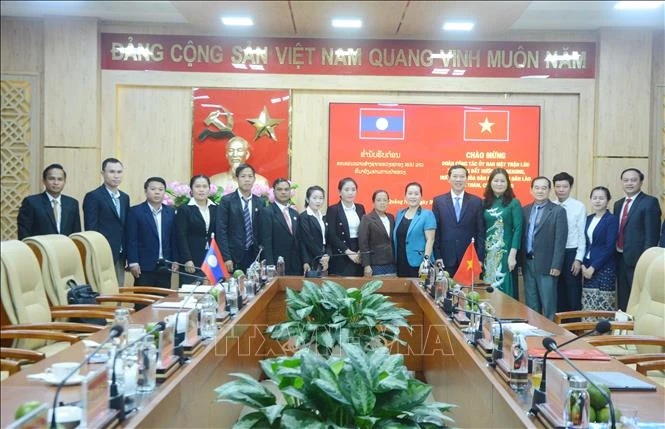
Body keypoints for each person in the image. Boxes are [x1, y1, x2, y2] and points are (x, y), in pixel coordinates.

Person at [613, 168, 662, 311]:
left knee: (639, 299)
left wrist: (645, 260)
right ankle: (623, 329)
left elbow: (652, 235)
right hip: (620, 257)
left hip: (638, 260)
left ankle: (637, 330)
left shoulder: (649, 202)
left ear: (641, 182)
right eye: (626, 180)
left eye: (633, 180)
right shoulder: (618, 204)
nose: (629, 183)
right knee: (623, 298)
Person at [522, 177, 568, 320]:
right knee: (531, 302)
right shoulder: (525, 210)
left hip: (547, 265)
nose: (540, 191)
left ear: (549, 190)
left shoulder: (558, 211)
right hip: (528, 262)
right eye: (537, 187)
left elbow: (560, 240)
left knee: (548, 304)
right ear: (531, 190)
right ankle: (533, 332)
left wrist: (556, 264)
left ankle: (551, 335)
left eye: (544, 188)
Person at [83, 158, 130, 286]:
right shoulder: (93, 196)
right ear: (103, 173)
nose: (116, 176)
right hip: (102, 252)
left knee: (119, 289)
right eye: (112, 172)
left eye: (119, 172)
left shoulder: (125, 197)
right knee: (103, 291)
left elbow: (124, 226)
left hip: (120, 253)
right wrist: (96, 250)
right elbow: (91, 229)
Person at [126, 177, 179, 289]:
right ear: (146, 191)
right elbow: (131, 239)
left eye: (161, 189)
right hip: (144, 267)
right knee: (143, 302)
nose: (157, 192)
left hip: (165, 265)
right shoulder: (135, 212)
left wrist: (175, 260)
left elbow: (173, 238)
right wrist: (133, 262)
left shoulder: (170, 212)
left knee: (162, 302)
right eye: (153, 189)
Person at [433, 164, 485, 277]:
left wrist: (480, 258)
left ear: (466, 179)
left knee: (468, 293)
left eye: (462, 177)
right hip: (445, 259)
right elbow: (436, 232)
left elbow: (481, 232)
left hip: (469, 260)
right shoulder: (438, 201)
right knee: (446, 292)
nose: (458, 180)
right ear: (449, 179)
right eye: (455, 176)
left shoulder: (476, 202)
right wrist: (437, 256)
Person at [482, 168, 523, 298]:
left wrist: (512, 255)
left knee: (504, 283)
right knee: (488, 286)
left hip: (505, 252)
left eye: (502, 181)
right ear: (490, 183)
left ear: (508, 183)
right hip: (488, 252)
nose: (499, 184)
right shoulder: (485, 203)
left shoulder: (514, 203)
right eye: (496, 180)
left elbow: (518, 229)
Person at [215, 163, 263, 273]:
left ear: (254, 179)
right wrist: (226, 257)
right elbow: (221, 231)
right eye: (243, 176)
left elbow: (262, 231)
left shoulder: (260, 202)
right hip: (233, 256)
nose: (247, 180)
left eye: (250, 176)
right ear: (237, 179)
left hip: (254, 255)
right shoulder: (226, 201)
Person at [17, 163, 81, 239]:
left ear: (64, 182)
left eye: (60, 179)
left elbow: (76, 234)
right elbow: (24, 233)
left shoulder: (72, 203)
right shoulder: (31, 202)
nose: (56, 183)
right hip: (40, 249)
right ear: (44, 181)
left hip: (66, 249)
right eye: (51, 179)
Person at [552, 172, 586, 312]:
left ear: (570, 187)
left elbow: (581, 235)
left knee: (573, 293)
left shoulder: (579, 206)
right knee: (557, 293)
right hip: (554, 254)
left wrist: (578, 259)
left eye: (564, 186)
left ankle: (574, 329)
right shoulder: (551, 206)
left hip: (571, 253)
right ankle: (560, 329)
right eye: (558, 186)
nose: (561, 189)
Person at [581, 186, 618, 313]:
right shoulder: (588, 218)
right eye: (595, 198)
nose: (597, 201)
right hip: (587, 265)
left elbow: (610, 247)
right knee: (589, 303)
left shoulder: (611, 219)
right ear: (590, 200)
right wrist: (583, 265)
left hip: (604, 267)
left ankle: (604, 333)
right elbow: (584, 243)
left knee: (603, 304)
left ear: (608, 201)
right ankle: (589, 331)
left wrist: (593, 267)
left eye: (601, 198)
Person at [176, 174, 216, 284]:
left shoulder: (215, 208)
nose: (201, 190)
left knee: (211, 292)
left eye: (204, 186)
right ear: (191, 190)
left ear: (209, 189)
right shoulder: (184, 209)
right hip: (192, 259)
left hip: (211, 258)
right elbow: (181, 236)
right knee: (191, 293)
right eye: (198, 186)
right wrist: (187, 259)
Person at [394, 182, 436, 278]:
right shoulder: (400, 214)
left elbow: (430, 240)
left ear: (421, 196)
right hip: (401, 263)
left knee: (422, 290)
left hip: (420, 264)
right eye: (410, 193)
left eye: (416, 194)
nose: (413, 196)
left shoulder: (427, 214)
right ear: (405, 196)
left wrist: (426, 262)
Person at [260, 178, 302, 275]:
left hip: (295, 265)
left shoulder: (294, 213)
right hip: (277, 264)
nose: (283, 192)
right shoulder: (267, 212)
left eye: (286, 189)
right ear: (274, 192)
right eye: (279, 189)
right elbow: (266, 241)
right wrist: (270, 266)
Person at [326, 177, 366, 276]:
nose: (350, 193)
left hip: (358, 253)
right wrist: (348, 252)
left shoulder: (360, 208)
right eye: (347, 190)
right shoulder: (333, 210)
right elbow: (331, 235)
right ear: (340, 192)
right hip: (341, 253)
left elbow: (364, 232)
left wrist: (361, 250)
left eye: (353, 190)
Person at [358, 190, 396, 277]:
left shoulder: (391, 217)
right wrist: (366, 265)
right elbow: (363, 243)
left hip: (391, 263)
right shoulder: (367, 218)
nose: (382, 203)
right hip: (375, 264)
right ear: (373, 203)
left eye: (385, 200)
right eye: (379, 200)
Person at [297, 186, 329, 274]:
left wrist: (327, 255)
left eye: (321, 198)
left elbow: (328, 238)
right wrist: (322, 256)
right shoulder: (304, 217)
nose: (318, 201)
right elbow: (307, 240)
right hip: (311, 257)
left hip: (324, 257)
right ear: (307, 199)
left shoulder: (323, 217)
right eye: (314, 198)